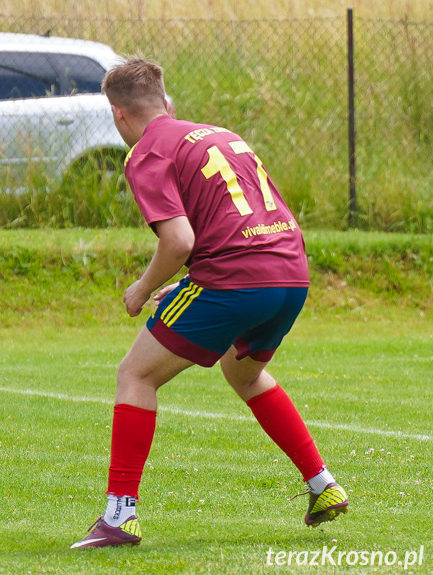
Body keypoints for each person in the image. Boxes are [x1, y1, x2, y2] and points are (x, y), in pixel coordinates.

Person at [70, 57, 348, 548]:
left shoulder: (147, 153)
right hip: (289, 272)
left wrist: (140, 288)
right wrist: (189, 284)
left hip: (236, 279)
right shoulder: (221, 134)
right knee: (244, 372)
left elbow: (178, 240)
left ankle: (119, 515)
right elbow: (241, 220)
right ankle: (322, 484)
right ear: (167, 102)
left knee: (135, 374)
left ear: (117, 115)